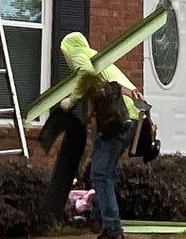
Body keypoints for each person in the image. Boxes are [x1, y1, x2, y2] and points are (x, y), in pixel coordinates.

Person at [59, 31, 142, 239]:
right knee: (104, 172)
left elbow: (85, 71)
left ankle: (113, 230)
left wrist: (72, 100)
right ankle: (97, 217)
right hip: (130, 117)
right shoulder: (96, 56)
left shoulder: (79, 53)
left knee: (101, 174)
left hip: (118, 118)